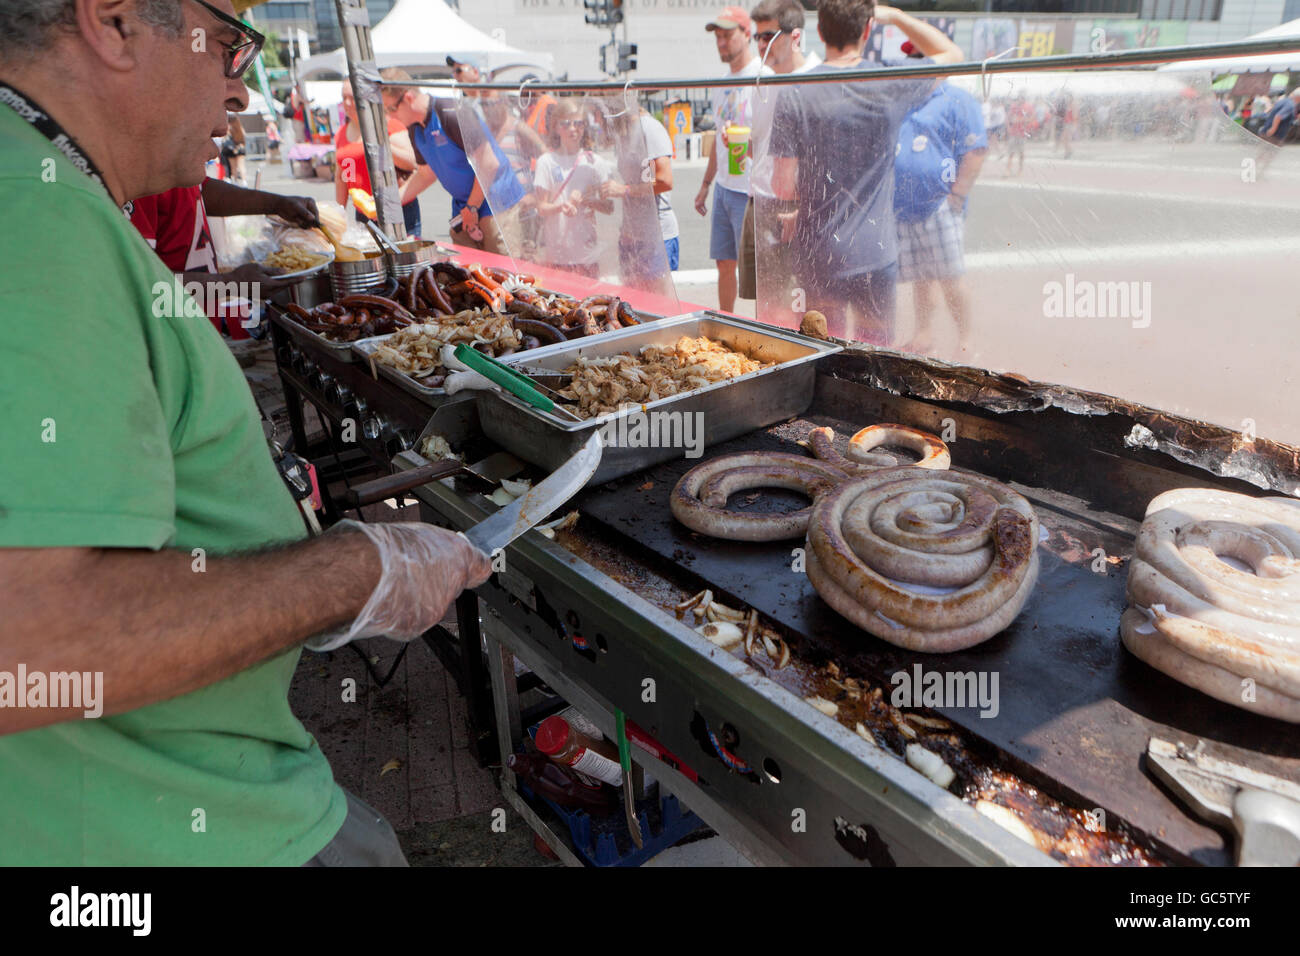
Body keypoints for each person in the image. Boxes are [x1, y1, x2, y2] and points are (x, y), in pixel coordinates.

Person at [0, 0, 491, 866]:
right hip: (170, 834)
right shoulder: (31, 214)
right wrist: (356, 569)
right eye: (228, 46)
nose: (238, 90)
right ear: (113, 23)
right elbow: (30, 644)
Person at [769, 1, 961, 343]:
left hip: (819, 250)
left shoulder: (794, 93)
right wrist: (898, 17)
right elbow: (952, 54)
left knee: (823, 349)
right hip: (876, 250)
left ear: (820, 31)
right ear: (868, 30)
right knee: (875, 357)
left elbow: (782, 185)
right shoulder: (887, 80)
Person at [129, 178, 318, 344]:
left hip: (200, 332)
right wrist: (231, 284)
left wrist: (277, 203)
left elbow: (200, 190)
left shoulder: (176, 168)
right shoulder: (136, 182)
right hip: (166, 342)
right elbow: (136, 283)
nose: (217, 141)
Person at [892, 63, 987, 355]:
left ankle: (966, 339)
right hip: (905, 207)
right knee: (921, 278)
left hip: (940, 204)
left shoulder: (957, 98)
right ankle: (923, 333)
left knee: (950, 277)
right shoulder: (905, 100)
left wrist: (956, 196)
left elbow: (976, 150)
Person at [382, 67, 526, 254]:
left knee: (507, 275)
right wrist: (390, 202)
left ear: (408, 97)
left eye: (391, 109)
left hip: (496, 204)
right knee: (467, 275)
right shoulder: (415, 128)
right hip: (464, 210)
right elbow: (426, 174)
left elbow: (489, 163)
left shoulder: (451, 113)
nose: (390, 116)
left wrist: (472, 208)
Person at [739, 0, 822, 306]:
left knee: (802, 306)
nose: (761, 45)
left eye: (769, 36)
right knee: (765, 304)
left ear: (796, 37)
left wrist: (807, 207)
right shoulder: (763, 79)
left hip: (797, 205)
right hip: (757, 200)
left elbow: (831, 158)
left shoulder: (818, 79)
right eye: (757, 37)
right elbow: (760, 144)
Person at [693, 6, 769, 313]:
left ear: (747, 33)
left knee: (758, 273)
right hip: (725, 186)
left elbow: (776, 138)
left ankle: (765, 327)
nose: (721, 42)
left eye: (727, 35)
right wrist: (705, 184)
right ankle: (726, 322)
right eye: (718, 37)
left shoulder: (763, 77)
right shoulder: (722, 83)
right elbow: (717, 139)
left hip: (752, 190)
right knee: (724, 262)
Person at [533, 98, 615, 279]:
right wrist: (561, 207)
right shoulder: (546, 162)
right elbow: (541, 207)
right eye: (566, 124)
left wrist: (588, 201)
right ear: (556, 127)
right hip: (557, 254)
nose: (573, 129)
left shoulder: (594, 162)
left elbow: (609, 207)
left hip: (587, 253)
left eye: (578, 123)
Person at [604, 104, 680, 283]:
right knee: (632, 302)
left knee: (657, 302)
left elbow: (665, 180)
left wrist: (625, 190)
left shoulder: (650, 129)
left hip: (656, 236)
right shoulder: (625, 132)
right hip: (632, 237)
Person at [335, 77, 420, 236]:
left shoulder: (388, 125)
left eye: (352, 98)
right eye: (343, 98)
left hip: (396, 209)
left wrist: (380, 142)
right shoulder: (341, 133)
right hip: (363, 213)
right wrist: (339, 213)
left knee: (401, 258)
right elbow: (341, 177)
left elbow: (411, 163)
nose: (347, 103)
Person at [1004, 92, 1032, 175]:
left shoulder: (1028, 107)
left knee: (1021, 153)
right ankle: (1008, 170)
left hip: (1022, 133)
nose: (1020, 100)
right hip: (1014, 133)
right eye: (1019, 98)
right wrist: (1008, 128)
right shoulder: (1013, 106)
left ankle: (1020, 170)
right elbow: (1008, 118)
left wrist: (1020, 120)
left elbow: (1031, 118)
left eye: (1022, 98)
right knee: (1011, 152)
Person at [220, 111, 246, 182]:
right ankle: (244, 181)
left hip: (231, 150)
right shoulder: (240, 128)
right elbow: (244, 137)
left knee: (233, 167)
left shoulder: (228, 128)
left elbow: (224, 139)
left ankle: (235, 182)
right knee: (241, 166)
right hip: (240, 148)